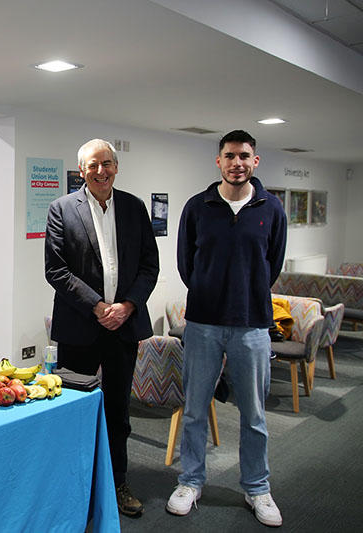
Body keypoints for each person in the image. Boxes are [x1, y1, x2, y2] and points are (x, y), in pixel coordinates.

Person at [168, 130, 287, 527]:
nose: (237, 162)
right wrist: (209, 290)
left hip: (252, 324)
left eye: (244, 156)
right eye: (230, 155)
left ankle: (257, 487)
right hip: (202, 323)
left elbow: (273, 262)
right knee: (195, 410)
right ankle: (190, 481)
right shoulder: (197, 207)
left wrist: (245, 293)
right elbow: (187, 263)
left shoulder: (271, 208)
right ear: (218, 161)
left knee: (253, 414)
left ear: (256, 162)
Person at [45, 138, 159, 517]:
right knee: (73, 407)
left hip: (123, 328)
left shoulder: (134, 207)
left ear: (116, 167)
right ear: (81, 170)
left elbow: (149, 266)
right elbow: (56, 270)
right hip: (80, 326)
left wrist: (126, 306)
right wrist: (97, 307)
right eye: (92, 165)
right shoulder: (61, 209)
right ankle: (72, 484)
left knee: (117, 411)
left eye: (106, 163)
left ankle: (117, 483)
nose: (100, 171)